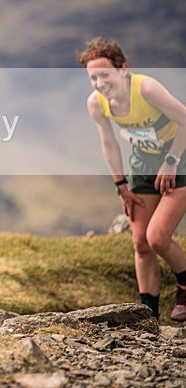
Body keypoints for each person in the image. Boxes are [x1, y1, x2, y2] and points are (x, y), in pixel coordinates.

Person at [77, 37, 186, 320]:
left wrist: (171, 161)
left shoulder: (146, 89)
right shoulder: (96, 104)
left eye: (105, 74)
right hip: (144, 166)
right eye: (93, 77)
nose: (100, 82)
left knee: (158, 238)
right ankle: (147, 317)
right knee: (140, 243)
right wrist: (120, 184)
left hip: (179, 160)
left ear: (122, 69)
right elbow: (109, 143)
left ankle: (185, 287)